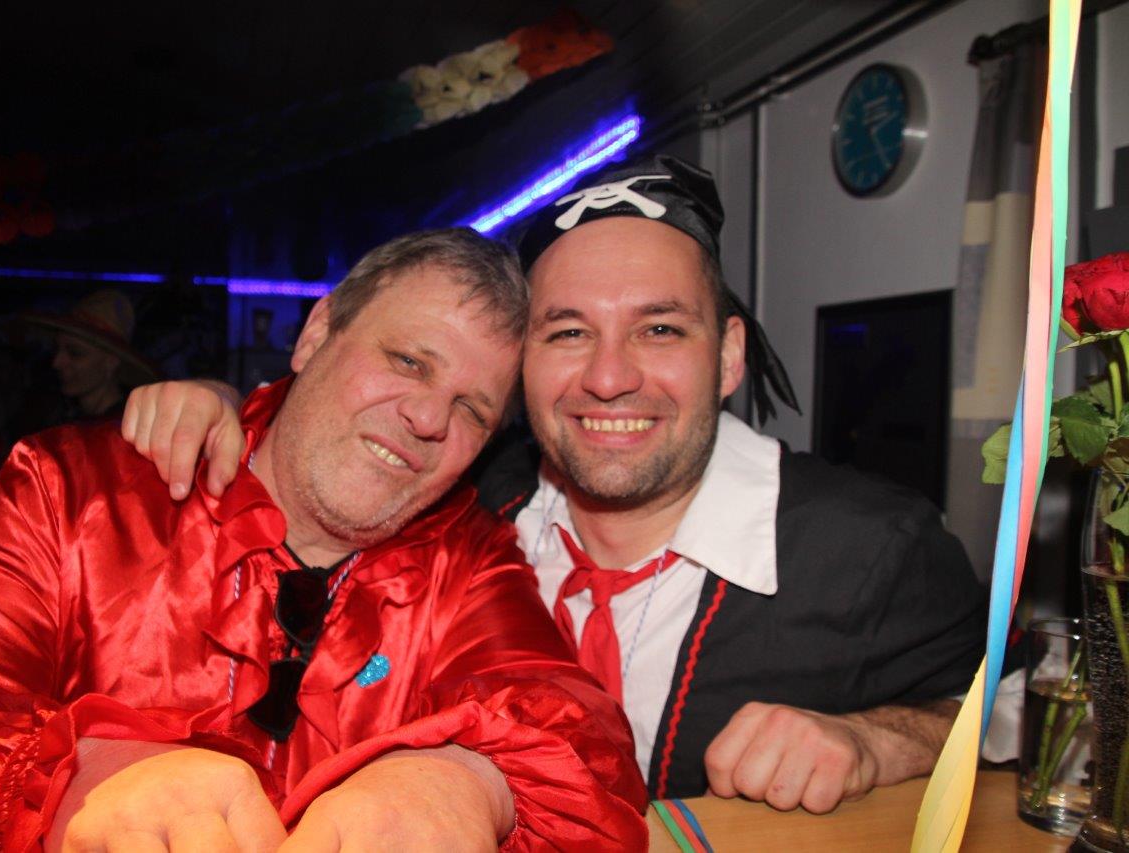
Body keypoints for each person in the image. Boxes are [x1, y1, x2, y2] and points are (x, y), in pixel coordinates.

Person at [131, 155, 987, 815]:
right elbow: (338, 444)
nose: (609, 379)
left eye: (659, 328)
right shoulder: (464, 510)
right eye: (568, 332)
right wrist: (223, 407)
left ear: (728, 355)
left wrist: (880, 740)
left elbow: (1017, 715)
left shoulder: (873, 547)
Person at [0, 229, 647, 850]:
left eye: (472, 409)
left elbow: (576, 730)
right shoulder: (74, 489)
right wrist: (69, 780)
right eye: (408, 360)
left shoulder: (467, 558)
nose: (429, 418)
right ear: (316, 333)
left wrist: (472, 780)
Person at [24, 288, 161, 420]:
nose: (57, 363)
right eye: (56, 349)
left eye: (75, 353)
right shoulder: (59, 418)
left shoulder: (124, 428)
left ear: (111, 362)